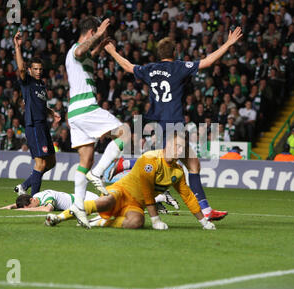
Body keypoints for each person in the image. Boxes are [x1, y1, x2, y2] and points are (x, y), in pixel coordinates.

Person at [103, 27, 243, 221]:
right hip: (173, 123)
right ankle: (125, 163)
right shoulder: (178, 67)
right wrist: (228, 43)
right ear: (174, 52)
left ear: (159, 54)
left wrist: (111, 51)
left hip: (159, 122)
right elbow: (208, 61)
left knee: (192, 165)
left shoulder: (150, 69)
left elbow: (127, 66)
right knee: (169, 161)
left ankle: (206, 209)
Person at [52, 132, 216, 230]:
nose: (179, 150)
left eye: (182, 148)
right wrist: (155, 220)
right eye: (176, 146)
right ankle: (58, 218)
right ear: (167, 144)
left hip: (135, 205)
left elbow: (187, 196)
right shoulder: (151, 159)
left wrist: (204, 222)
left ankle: (100, 222)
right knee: (106, 202)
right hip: (121, 192)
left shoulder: (178, 172)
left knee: (137, 222)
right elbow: (146, 190)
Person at [65, 17, 130, 218]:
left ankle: (78, 206)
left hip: (75, 112)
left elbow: (88, 53)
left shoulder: (84, 55)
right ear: (91, 32)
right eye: (96, 34)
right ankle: (99, 173)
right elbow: (80, 50)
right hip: (86, 107)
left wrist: (100, 45)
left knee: (86, 159)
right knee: (125, 132)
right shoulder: (76, 49)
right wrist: (100, 35)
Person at [13, 31, 61, 196]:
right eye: (35, 69)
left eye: (40, 69)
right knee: (40, 164)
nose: (39, 71)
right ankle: (34, 198)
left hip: (43, 125)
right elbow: (20, 69)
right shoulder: (27, 82)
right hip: (33, 125)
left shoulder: (41, 85)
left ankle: (24, 186)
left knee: (51, 162)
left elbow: (40, 103)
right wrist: (17, 47)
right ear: (30, 70)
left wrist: (51, 111)